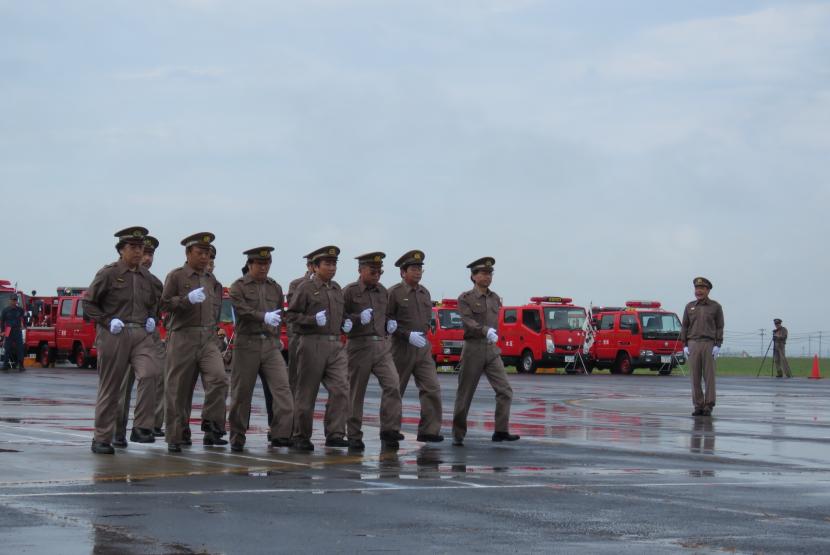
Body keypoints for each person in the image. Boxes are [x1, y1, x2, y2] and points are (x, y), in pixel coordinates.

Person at [83, 226, 161, 454]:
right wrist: (107, 321)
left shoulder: (148, 278)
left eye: (141, 248)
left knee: (151, 373)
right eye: (133, 248)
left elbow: (155, 304)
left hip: (141, 333)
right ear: (121, 250)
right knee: (111, 388)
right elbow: (89, 303)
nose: (138, 252)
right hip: (114, 333)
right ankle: (102, 438)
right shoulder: (108, 273)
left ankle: (142, 427)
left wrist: (152, 318)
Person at [161, 232, 229, 453]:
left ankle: (212, 425)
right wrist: (184, 300)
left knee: (219, 378)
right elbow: (163, 304)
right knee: (179, 390)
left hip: (208, 338)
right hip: (183, 337)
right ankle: (176, 434)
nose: (204, 257)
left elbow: (216, 311)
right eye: (199, 253)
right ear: (188, 253)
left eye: (207, 253)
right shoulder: (177, 277)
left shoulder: (213, 282)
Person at [227, 246, 294, 452]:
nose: (264, 267)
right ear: (250, 265)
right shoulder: (238, 286)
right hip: (247, 344)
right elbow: (241, 310)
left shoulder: (275, 287)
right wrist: (262, 316)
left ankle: (280, 433)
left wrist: (277, 336)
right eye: (260, 264)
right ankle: (237, 434)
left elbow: (279, 315)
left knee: (283, 390)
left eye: (267, 264)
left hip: (270, 345)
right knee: (241, 393)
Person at [285, 245, 350, 451]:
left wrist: (346, 322)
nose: (331, 268)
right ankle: (300, 435)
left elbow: (341, 314)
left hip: (334, 344)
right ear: (315, 267)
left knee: (341, 388)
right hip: (311, 342)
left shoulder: (336, 288)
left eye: (334, 264)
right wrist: (312, 320)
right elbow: (292, 317)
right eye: (327, 264)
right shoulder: (305, 288)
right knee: (306, 392)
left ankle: (335, 433)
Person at [452, 257, 518, 446]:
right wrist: (484, 330)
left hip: (491, 348)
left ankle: (501, 430)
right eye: (483, 273)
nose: (487, 277)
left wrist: (492, 334)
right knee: (465, 394)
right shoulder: (465, 298)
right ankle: (458, 433)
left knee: (505, 390)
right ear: (473, 276)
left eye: (490, 273)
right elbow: (467, 321)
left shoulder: (495, 297)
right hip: (473, 348)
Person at [342, 252, 403, 451]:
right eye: (373, 270)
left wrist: (390, 323)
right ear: (360, 270)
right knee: (356, 392)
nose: (377, 274)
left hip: (382, 346)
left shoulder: (383, 292)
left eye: (380, 271)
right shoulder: (350, 292)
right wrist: (357, 318)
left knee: (393, 384)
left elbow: (386, 315)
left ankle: (390, 429)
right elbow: (341, 317)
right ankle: (353, 434)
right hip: (359, 345)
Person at [387, 250, 444, 443]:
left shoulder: (424, 292)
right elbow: (387, 321)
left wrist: (425, 330)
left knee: (432, 388)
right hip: (401, 347)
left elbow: (427, 316)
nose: (418, 272)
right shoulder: (394, 292)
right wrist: (405, 334)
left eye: (420, 268)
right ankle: (390, 429)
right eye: (413, 268)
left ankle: (429, 430)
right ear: (403, 272)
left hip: (422, 347)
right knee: (395, 389)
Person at [113, 235, 165, 447]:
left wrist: (154, 318)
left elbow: (158, 307)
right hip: (122, 334)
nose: (146, 258)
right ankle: (117, 431)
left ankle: (147, 425)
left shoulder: (154, 282)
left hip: (147, 335)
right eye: (143, 253)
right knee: (121, 386)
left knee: (155, 376)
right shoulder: (115, 275)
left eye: (150, 254)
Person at [680, 277, 724, 417]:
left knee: (709, 377)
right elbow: (685, 326)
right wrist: (684, 344)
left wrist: (718, 344)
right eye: (696, 288)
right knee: (694, 376)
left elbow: (719, 326)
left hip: (708, 343)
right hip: (693, 343)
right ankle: (698, 405)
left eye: (702, 288)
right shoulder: (689, 306)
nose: (698, 291)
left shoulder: (715, 307)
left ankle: (708, 405)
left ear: (708, 290)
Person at [286, 253, 314, 394]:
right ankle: (292, 410)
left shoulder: (330, 286)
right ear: (309, 266)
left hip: (318, 337)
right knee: (295, 376)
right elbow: (293, 310)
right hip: (299, 334)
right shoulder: (296, 284)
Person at [1, 296, 26, 370]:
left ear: (17, 301)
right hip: (8, 330)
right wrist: (2, 331)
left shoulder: (20, 310)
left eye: (15, 300)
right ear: (10, 300)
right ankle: (5, 365)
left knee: (20, 348)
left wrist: (24, 325)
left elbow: (24, 318)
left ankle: (21, 365)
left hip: (17, 330)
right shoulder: (5, 310)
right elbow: (2, 321)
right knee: (7, 348)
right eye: (12, 300)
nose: (14, 302)